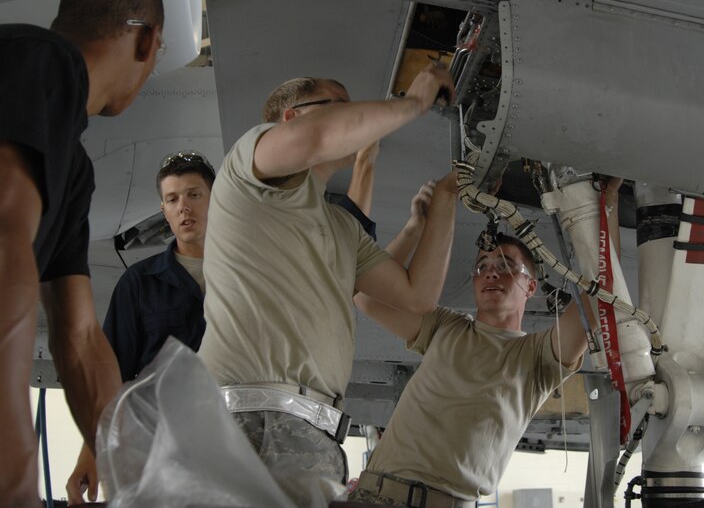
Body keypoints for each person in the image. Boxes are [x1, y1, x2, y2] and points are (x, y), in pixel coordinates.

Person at [197, 69, 458, 497]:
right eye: (340, 106)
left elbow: (417, 295)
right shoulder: (250, 167)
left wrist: (447, 198)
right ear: (289, 119)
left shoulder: (342, 227)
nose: (353, 117)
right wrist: (412, 104)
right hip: (247, 419)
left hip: (313, 432)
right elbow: (316, 139)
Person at [0, 0, 165, 507]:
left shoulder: (72, 169)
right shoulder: (39, 62)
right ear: (148, 43)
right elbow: (4, 247)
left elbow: (80, 339)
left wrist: (133, 476)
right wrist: (16, 472)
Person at [349, 180, 624, 507]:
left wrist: (607, 206)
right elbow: (367, 297)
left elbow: (600, 294)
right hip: (369, 496)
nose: (492, 272)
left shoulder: (537, 358)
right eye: (483, 266)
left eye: (507, 265)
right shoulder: (444, 327)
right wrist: (415, 228)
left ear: (531, 286)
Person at [64, 150, 216, 504]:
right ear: (163, 210)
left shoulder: (244, 277)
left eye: (194, 195)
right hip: (155, 448)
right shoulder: (140, 282)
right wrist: (91, 453)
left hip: (233, 441)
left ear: (215, 199)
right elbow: (111, 371)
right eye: (172, 199)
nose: (184, 207)